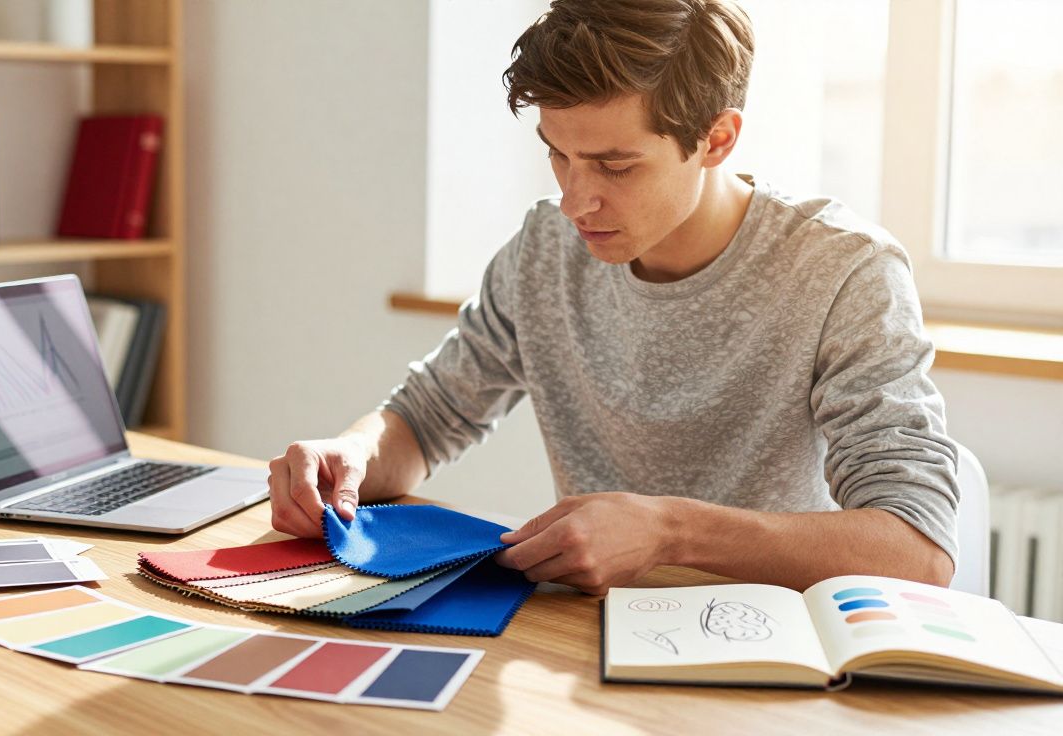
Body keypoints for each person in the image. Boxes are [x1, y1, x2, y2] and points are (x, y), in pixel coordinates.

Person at [267, 0, 959, 595]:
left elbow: (918, 550)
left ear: (716, 139)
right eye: (558, 154)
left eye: (615, 165)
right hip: (589, 638)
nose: (575, 200)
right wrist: (353, 453)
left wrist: (669, 531)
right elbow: (430, 415)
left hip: (768, 663)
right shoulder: (546, 247)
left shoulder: (844, 270)